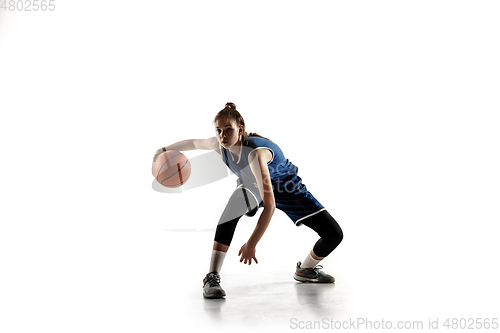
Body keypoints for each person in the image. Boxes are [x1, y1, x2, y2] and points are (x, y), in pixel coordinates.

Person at [153, 102, 343, 299]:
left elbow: (270, 206)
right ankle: (212, 276)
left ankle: (305, 270)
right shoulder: (220, 144)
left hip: (288, 188)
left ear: (240, 129)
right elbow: (193, 144)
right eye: (218, 130)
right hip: (253, 185)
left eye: (228, 130)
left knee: (334, 235)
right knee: (230, 213)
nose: (222, 135)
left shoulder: (254, 154)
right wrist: (164, 150)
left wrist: (252, 243)